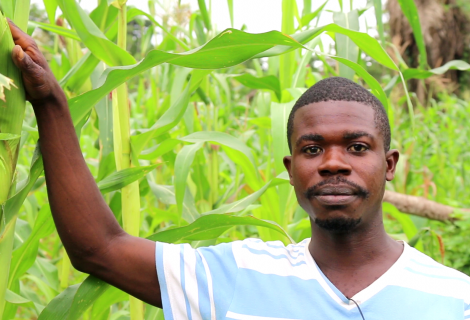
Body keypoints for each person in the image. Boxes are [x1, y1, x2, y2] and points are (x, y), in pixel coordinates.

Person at [7, 20, 470, 320]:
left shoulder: (454, 298)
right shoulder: (234, 277)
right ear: (291, 169)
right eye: (312, 149)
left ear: (388, 165)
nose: (332, 162)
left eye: (356, 146)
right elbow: (99, 248)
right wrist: (51, 103)